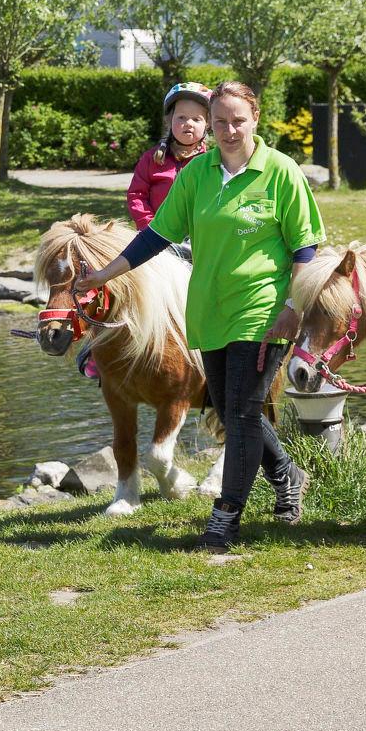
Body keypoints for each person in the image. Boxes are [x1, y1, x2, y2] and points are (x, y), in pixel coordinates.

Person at [80, 81, 323, 552]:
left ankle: (226, 514)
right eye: (220, 122)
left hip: (263, 310)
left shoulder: (281, 171)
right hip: (209, 310)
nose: (229, 130)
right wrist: (103, 276)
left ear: (255, 119)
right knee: (232, 410)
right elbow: (156, 237)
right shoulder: (197, 176)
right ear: (210, 127)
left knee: (244, 410)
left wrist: (293, 306)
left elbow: (305, 247)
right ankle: (287, 474)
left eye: (238, 120)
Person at [128, 82, 212, 232]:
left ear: (208, 124)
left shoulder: (212, 161)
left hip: (199, 238)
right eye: (181, 117)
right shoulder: (151, 159)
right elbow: (137, 195)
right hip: (157, 234)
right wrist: (151, 228)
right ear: (169, 120)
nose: (188, 123)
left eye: (196, 119)